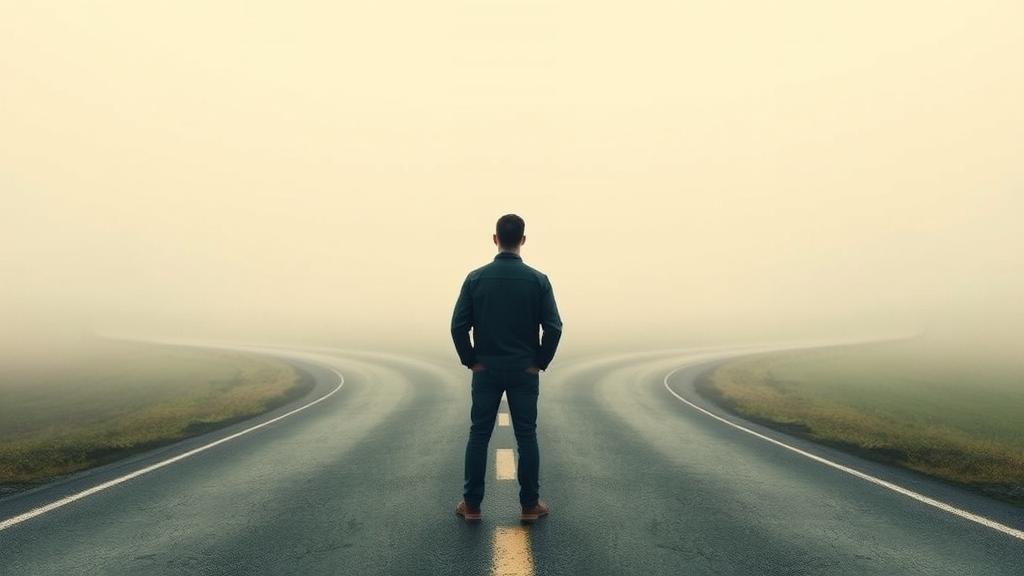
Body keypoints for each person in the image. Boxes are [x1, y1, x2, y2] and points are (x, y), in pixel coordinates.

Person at [451, 214, 563, 523]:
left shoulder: (475, 279)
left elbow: (458, 326)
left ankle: (472, 506)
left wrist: (471, 360)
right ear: (523, 240)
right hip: (523, 369)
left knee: (478, 435)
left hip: (485, 369)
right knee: (526, 436)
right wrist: (539, 362)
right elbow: (554, 327)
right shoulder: (538, 281)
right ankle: (529, 505)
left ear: (495, 239)